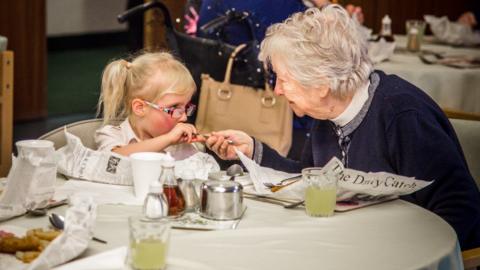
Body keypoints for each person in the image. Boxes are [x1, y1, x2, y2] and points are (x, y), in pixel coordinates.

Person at [205, 5, 480, 250]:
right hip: (355, 245)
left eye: (284, 80)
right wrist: (254, 150)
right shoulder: (327, 113)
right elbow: (311, 180)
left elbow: (460, 208)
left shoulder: (402, 115)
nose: (276, 90)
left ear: (322, 83)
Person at [95, 52, 200, 157]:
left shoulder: (181, 144)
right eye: (174, 107)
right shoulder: (112, 135)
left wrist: (214, 149)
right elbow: (113, 159)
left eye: (186, 107)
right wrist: (168, 139)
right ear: (140, 108)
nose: (184, 117)